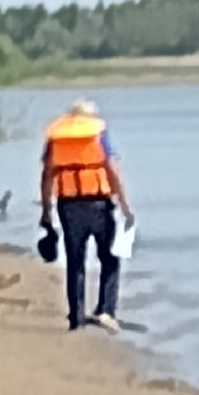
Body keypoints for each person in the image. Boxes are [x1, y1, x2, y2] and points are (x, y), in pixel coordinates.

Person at [40, 99, 132, 332]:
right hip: (99, 203)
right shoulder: (99, 135)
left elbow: (48, 174)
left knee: (75, 261)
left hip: (68, 205)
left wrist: (46, 211)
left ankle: (76, 318)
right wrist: (124, 204)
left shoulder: (56, 138)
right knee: (110, 258)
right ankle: (106, 311)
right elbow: (111, 168)